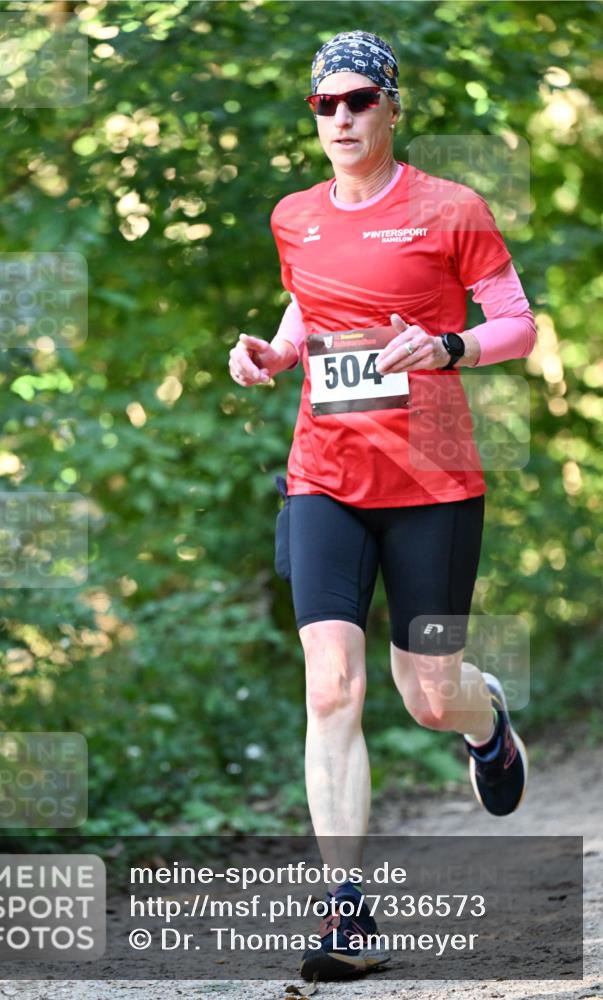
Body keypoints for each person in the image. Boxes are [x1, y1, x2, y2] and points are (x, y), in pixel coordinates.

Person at [228, 30, 536, 983]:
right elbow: (307, 307)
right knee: (331, 684)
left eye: (358, 101)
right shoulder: (294, 217)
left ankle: (484, 722)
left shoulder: (451, 209)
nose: (342, 119)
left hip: (433, 481)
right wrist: (276, 355)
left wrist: (447, 348)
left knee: (425, 692)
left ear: (392, 106)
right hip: (323, 472)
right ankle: (347, 915)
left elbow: (517, 325)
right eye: (324, 106)